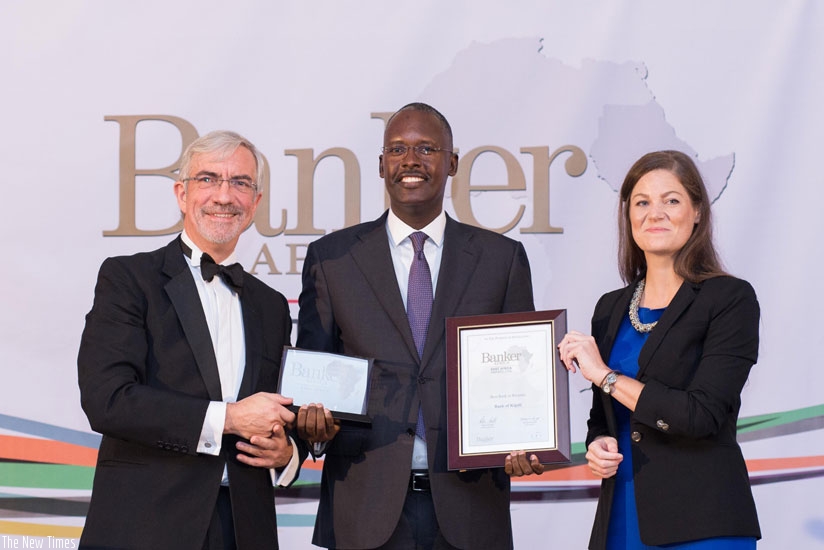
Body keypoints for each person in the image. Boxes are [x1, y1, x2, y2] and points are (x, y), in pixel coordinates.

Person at [295, 102, 543, 550]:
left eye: (426, 148)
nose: (410, 161)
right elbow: (314, 373)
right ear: (380, 164)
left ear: (452, 162)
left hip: (469, 509)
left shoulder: (500, 260)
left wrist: (526, 440)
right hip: (364, 508)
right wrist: (310, 425)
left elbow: (522, 375)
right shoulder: (332, 259)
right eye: (397, 149)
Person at [77, 130, 308, 550]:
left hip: (244, 529)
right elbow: (107, 399)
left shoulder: (272, 306)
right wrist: (231, 418)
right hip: (146, 527)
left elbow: (280, 410)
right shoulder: (128, 279)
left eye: (240, 183)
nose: (224, 195)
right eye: (208, 179)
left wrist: (286, 453)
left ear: (255, 203)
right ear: (182, 194)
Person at [558, 150, 761, 549]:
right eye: (642, 203)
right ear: (628, 216)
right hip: (621, 518)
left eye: (672, 200)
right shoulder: (610, 307)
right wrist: (599, 445)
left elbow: (700, 415)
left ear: (697, 211)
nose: (656, 213)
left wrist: (605, 375)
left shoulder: (730, 299)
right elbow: (606, 418)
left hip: (704, 524)